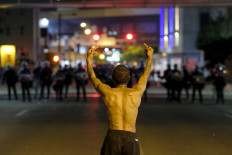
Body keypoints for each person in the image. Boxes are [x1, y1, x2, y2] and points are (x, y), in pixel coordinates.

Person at [87, 43, 153, 155]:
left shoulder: (108, 92)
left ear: (113, 78)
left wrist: (89, 60)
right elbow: (145, 75)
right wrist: (150, 57)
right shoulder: (136, 92)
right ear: (129, 78)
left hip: (113, 137)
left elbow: (93, 78)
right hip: (131, 137)